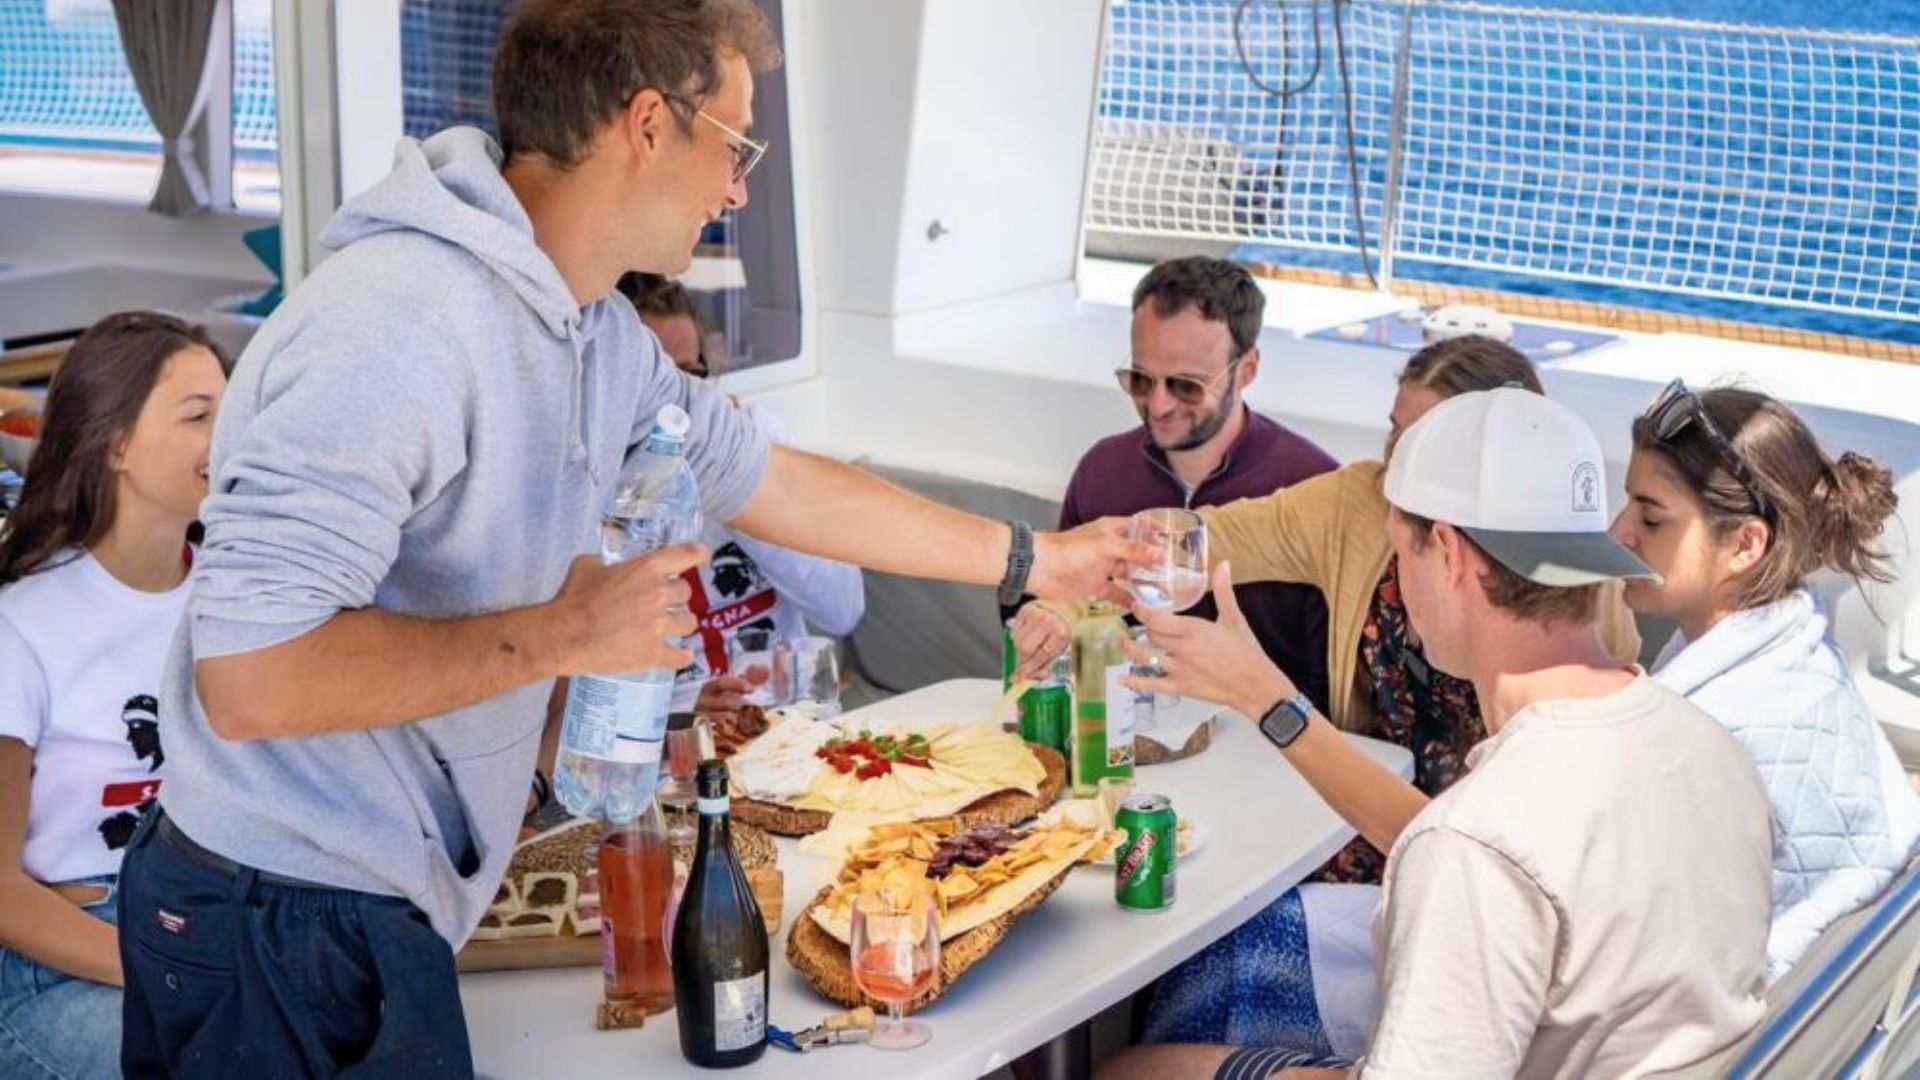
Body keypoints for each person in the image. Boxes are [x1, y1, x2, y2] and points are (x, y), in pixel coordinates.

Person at [116, 3, 1136, 1075]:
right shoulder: (396, 324)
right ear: (649, 123)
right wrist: (562, 637)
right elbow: (249, 678)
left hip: (373, 901)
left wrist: (1037, 558)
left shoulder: (590, 329)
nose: (740, 186)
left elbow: (771, 479)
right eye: (736, 144)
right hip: (272, 918)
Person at [1107, 388, 1773, 1079]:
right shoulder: (1714, 747)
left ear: (1450, 552)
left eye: (1402, 553)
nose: (1397, 582)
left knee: (1128, 1072)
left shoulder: (1471, 842)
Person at [1020, 337, 1640, 1058]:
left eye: (1428, 446)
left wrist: (1265, 696)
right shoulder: (1361, 500)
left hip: (1443, 885)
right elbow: (1197, 540)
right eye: (1396, 435)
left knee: (1192, 975)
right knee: (1181, 927)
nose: (1397, 472)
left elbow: (1462, 862)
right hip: (1359, 827)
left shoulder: (1570, 661)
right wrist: (1067, 592)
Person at [1612, 380, 1920, 982]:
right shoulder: (1800, 654)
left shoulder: (1708, 732)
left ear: (1746, 545)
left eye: (1650, 516)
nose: (1618, 530)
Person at [0, 312, 227, 1080]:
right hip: (63, 963)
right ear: (115, 443)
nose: (230, 438)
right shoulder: (20, 625)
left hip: (220, 929)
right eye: (200, 417)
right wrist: (174, 971)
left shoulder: (242, 597)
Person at [1009, 256, 1336, 711]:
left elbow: (1333, 691)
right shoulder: (1102, 469)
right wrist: (1042, 622)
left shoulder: (1312, 485)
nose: (1158, 405)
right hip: (1121, 738)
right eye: (1140, 379)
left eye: (1186, 386)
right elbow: (1065, 618)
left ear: (1247, 369)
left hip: (1265, 746)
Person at [620, 271, 864, 722]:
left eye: (691, 376)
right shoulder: (590, 491)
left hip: (790, 731)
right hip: (678, 754)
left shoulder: (756, 436)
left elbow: (842, 609)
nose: (679, 402)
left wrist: (739, 489)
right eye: (657, 381)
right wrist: (678, 711)